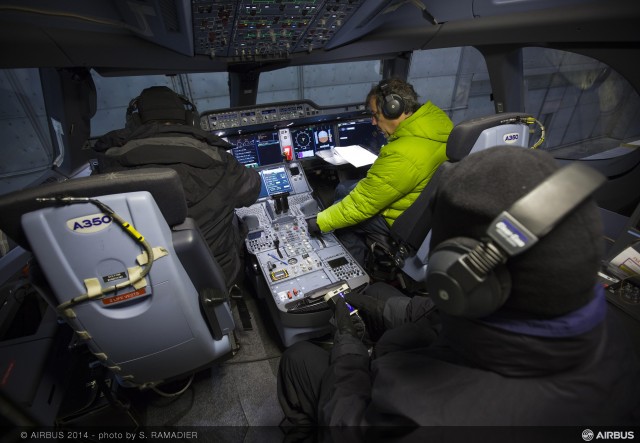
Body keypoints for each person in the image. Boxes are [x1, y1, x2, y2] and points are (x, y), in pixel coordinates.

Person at [278, 146, 640, 428]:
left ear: (454, 275)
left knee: (298, 360)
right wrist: (376, 309)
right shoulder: (609, 318)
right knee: (375, 295)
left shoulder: (425, 413)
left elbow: (350, 423)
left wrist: (349, 350)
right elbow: (436, 316)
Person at [93, 86, 261, 288]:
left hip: (145, 282)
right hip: (217, 276)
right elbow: (252, 190)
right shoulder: (220, 161)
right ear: (191, 120)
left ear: (134, 123)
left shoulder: (106, 167)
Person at [307, 78, 453, 267]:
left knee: (342, 218)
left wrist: (319, 222)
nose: (373, 121)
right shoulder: (438, 124)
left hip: (403, 223)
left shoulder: (402, 153)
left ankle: (356, 272)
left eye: (376, 114)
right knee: (344, 187)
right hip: (427, 212)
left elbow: (362, 205)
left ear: (394, 109)